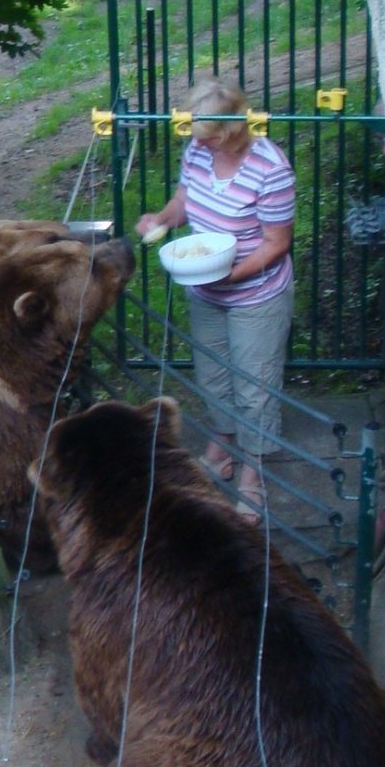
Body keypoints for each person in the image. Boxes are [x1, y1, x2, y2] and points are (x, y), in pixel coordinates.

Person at [135, 77, 295, 524]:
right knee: (214, 375)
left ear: (230, 132)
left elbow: (276, 243)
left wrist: (227, 274)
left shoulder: (270, 168)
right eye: (196, 136)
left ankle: (253, 475)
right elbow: (186, 197)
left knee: (254, 386)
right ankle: (221, 450)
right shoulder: (199, 152)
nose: (198, 145)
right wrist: (162, 218)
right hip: (204, 288)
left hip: (255, 294)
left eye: (207, 137)